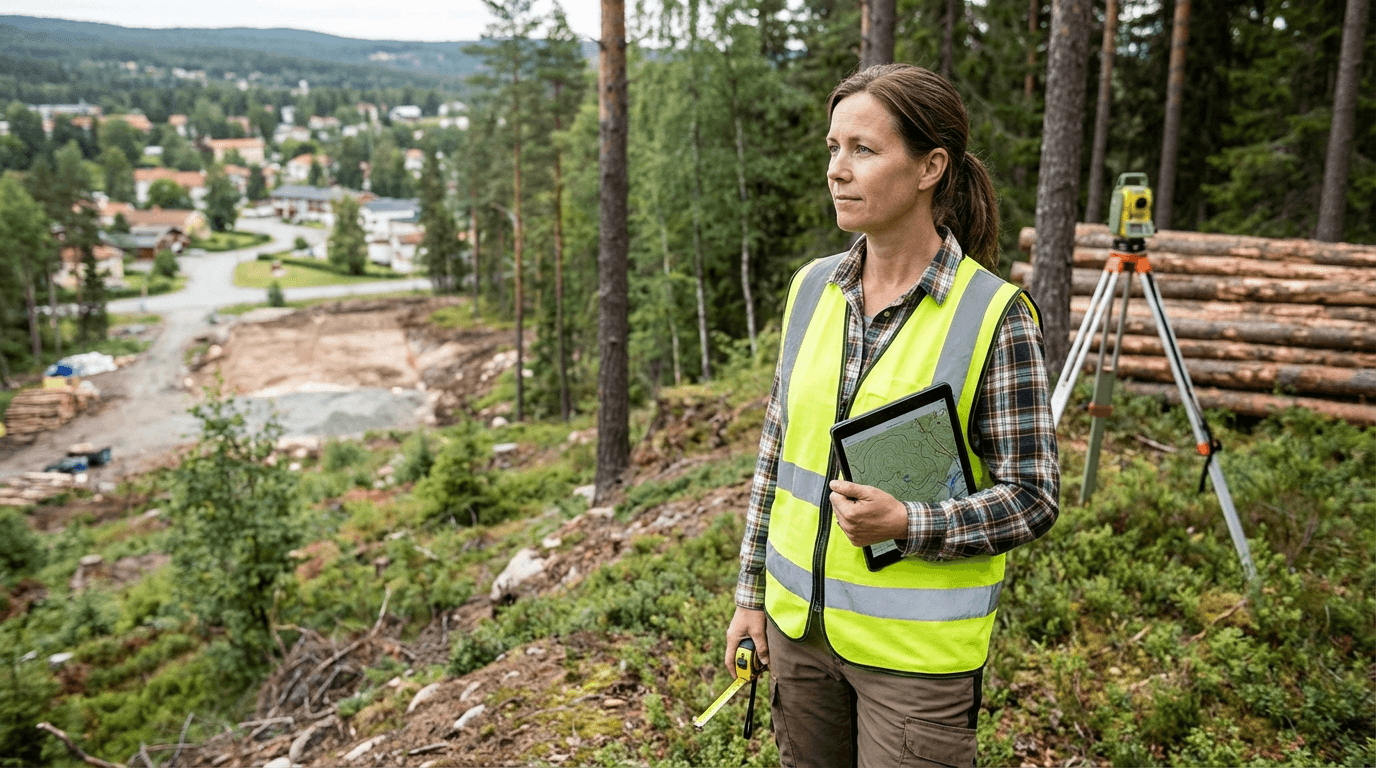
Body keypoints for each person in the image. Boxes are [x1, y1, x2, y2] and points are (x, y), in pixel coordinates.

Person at [724, 64, 1060, 768]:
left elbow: (1033, 498)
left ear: (931, 166)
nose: (837, 171)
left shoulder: (994, 316)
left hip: (915, 666)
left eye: (864, 151)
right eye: (832, 148)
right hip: (796, 638)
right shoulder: (811, 288)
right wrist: (751, 598)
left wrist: (910, 523)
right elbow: (776, 454)